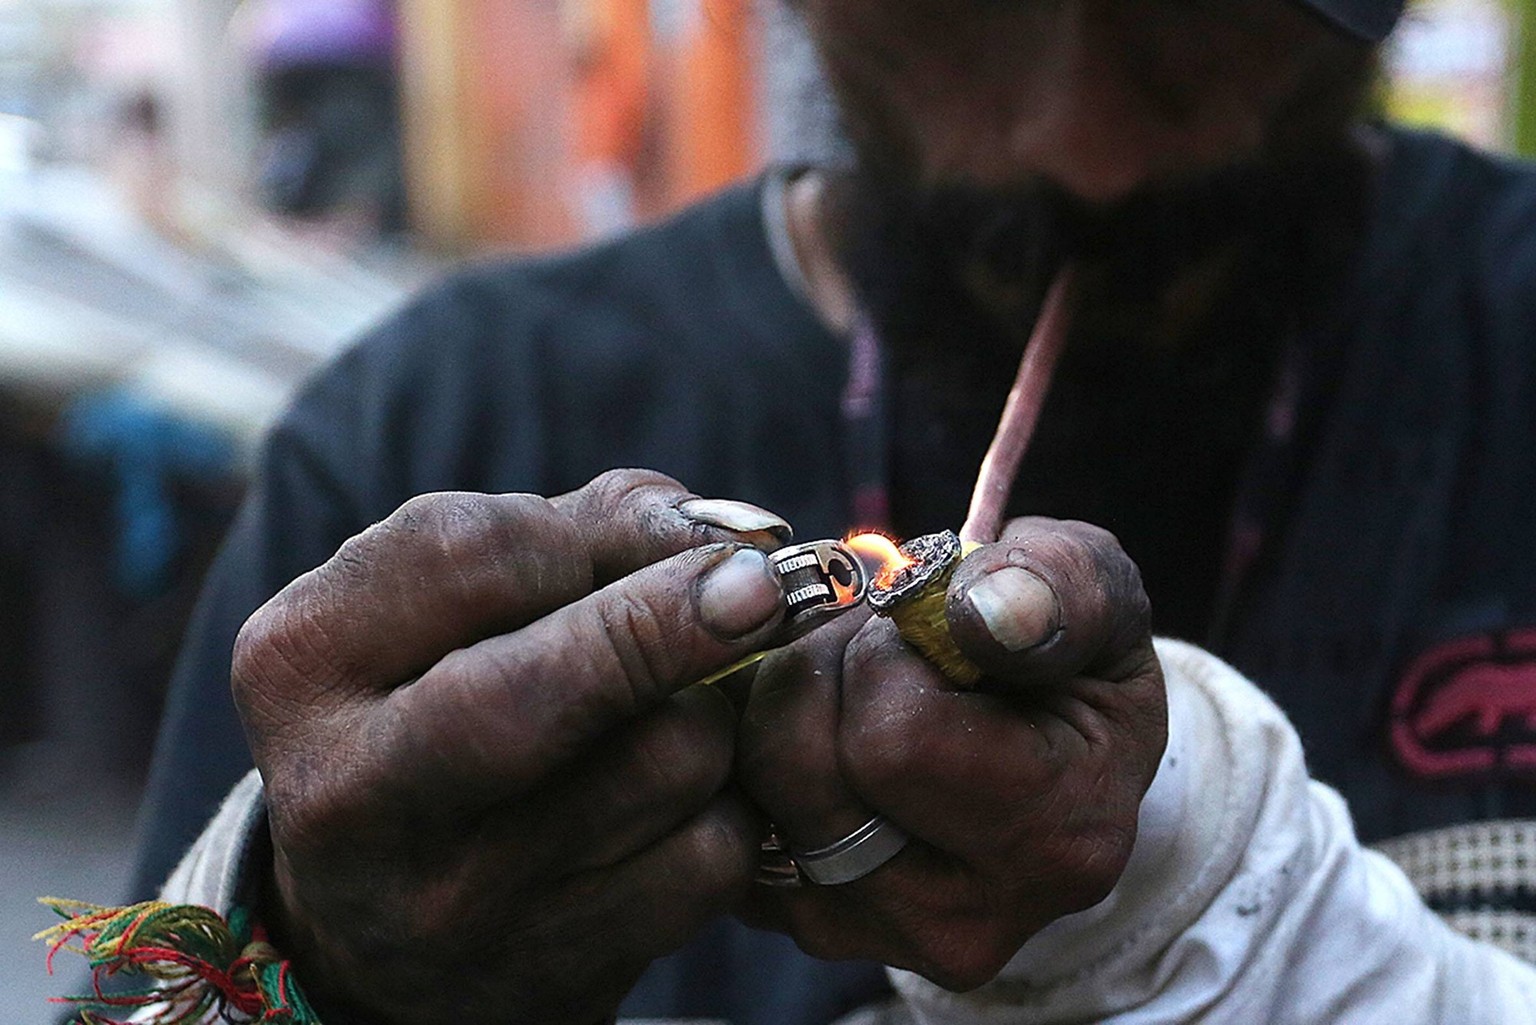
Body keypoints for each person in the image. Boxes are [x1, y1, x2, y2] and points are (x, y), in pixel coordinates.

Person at [127, 0, 1536, 1021]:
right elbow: (161, 986)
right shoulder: (424, 439)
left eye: (1199, 13)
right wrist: (323, 964)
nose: (1080, 143)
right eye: (974, 13)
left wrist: (1191, 887)